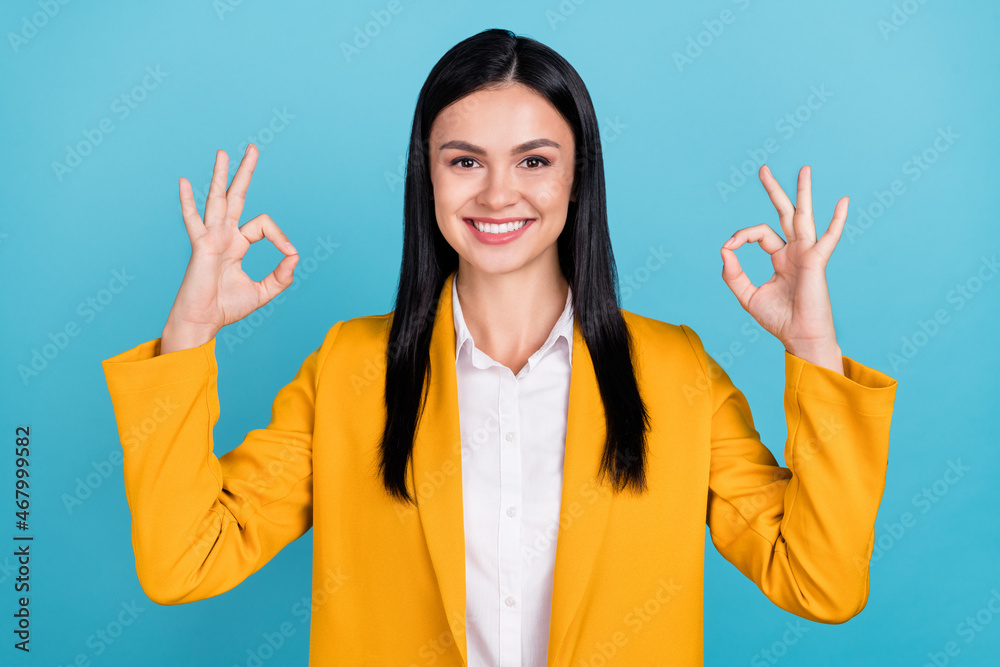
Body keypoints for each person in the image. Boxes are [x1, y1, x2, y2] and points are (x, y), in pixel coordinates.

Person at [101, 28, 898, 666]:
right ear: (430, 179)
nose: (497, 194)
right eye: (464, 162)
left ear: (578, 178)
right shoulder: (350, 370)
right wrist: (190, 334)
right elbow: (185, 561)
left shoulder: (672, 372)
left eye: (535, 161)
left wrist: (814, 346)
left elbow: (819, 580)